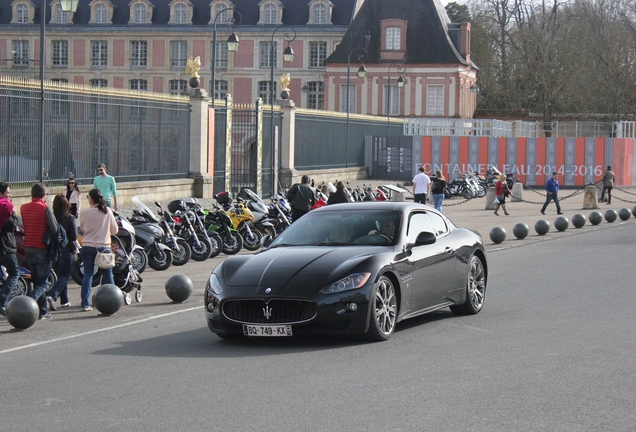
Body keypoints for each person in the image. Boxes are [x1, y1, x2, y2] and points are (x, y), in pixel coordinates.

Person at [21, 183, 58, 320]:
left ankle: (42, 311)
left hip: (28, 248)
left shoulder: (23, 208)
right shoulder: (45, 208)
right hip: (42, 249)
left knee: (37, 281)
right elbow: (54, 229)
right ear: (44, 195)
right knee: (42, 283)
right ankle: (28, 304)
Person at [79, 188, 118, 311]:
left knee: (88, 274)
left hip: (87, 246)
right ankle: (112, 299)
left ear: (91, 199)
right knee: (107, 274)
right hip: (104, 247)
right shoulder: (108, 211)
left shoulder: (84, 212)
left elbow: (83, 229)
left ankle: (85, 303)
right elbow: (115, 230)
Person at [46, 194, 78, 311]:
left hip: (54, 250)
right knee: (64, 275)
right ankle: (53, 296)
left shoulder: (52, 218)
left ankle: (64, 300)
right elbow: (74, 236)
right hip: (66, 249)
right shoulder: (70, 218)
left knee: (60, 275)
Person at [0, 182, 19, 317]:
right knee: (15, 272)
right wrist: (13, 214)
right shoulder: (5, 207)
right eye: (7, 193)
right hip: (5, 246)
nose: (9, 195)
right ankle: (2, 300)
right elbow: (11, 225)